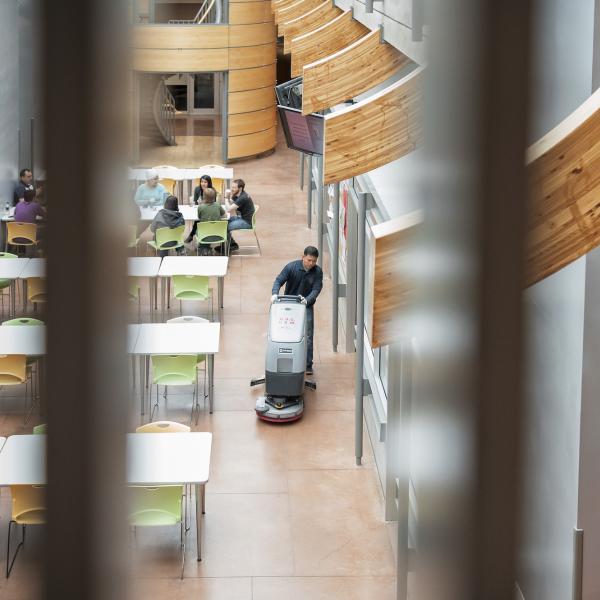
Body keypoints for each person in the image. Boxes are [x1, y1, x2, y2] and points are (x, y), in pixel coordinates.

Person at [271, 246, 323, 375]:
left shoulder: (317, 272)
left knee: (308, 335)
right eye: (309, 260)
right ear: (303, 257)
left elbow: (316, 289)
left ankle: (308, 364)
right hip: (288, 304)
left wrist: (308, 300)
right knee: (285, 330)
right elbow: (279, 280)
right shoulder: (291, 267)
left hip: (306, 305)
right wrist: (274, 294)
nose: (311, 264)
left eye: (314, 261)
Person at [185, 174, 219, 243]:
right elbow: (195, 202)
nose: (203, 184)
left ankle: (191, 235)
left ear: (209, 183)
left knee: (198, 220)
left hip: (210, 209)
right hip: (200, 208)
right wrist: (197, 204)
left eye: (205, 182)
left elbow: (213, 203)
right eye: (202, 182)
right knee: (198, 218)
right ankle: (192, 235)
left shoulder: (212, 190)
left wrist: (203, 204)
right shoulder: (197, 189)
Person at [224, 179, 254, 252]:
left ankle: (231, 245)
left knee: (225, 227)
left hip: (246, 222)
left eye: (234, 187)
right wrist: (228, 198)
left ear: (240, 188)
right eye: (232, 187)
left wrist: (225, 198)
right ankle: (228, 245)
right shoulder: (237, 195)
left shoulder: (242, 197)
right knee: (223, 223)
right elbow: (231, 202)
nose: (232, 189)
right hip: (241, 218)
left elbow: (229, 209)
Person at [195, 188, 226, 255]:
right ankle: (207, 249)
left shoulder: (200, 207)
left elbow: (199, 217)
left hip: (204, 235)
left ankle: (204, 248)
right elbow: (225, 215)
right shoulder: (217, 205)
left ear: (203, 197)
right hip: (218, 234)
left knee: (198, 230)